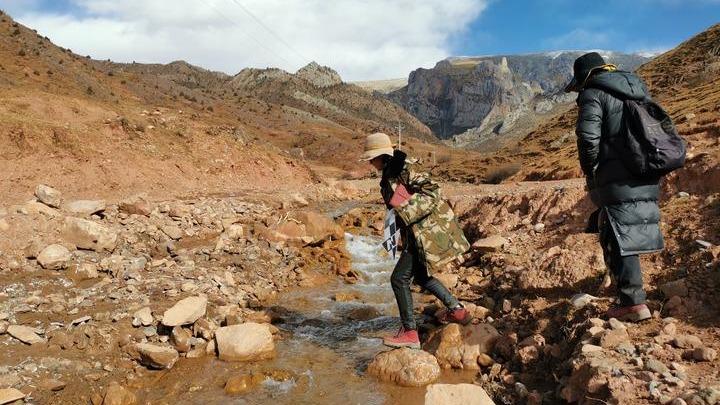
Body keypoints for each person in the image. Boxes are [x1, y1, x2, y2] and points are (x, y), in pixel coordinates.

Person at [566, 52, 664, 322]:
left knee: (617, 229)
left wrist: (591, 169)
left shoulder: (593, 94)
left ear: (586, 77)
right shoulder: (636, 87)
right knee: (626, 226)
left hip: (615, 171)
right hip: (644, 166)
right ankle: (625, 289)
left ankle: (631, 302)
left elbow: (588, 138)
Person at [360, 132, 471, 349]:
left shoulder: (406, 168)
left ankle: (410, 333)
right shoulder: (390, 172)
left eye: (371, 158)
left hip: (425, 232)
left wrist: (404, 208)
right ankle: (457, 311)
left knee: (398, 279)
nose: (370, 163)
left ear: (382, 155)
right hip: (414, 234)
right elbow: (395, 205)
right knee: (421, 276)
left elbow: (433, 192)